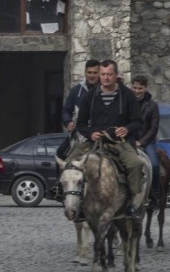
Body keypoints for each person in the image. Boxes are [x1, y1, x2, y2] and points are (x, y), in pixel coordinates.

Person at [75, 59, 145, 217]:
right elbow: (80, 124)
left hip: (119, 142)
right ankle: (73, 200)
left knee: (135, 164)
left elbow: (138, 121)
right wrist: (90, 133)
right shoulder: (90, 96)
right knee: (71, 160)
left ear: (115, 76)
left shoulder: (127, 95)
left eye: (109, 74)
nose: (106, 78)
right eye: (103, 74)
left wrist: (127, 129)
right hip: (95, 141)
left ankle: (132, 202)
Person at [131, 75, 161, 201]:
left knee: (154, 164)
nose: (137, 91)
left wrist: (142, 142)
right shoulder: (128, 102)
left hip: (147, 141)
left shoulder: (152, 105)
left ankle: (154, 192)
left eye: (140, 88)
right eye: (135, 88)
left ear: (145, 88)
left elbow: (154, 127)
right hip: (131, 139)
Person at [61, 59, 101, 134]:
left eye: (95, 73)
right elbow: (66, 111)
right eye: (89, 72)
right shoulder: (76, 91)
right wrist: (68, 122)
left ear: (99, 73)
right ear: (85, 73)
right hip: (80, 133)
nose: (92, 75)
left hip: (100, 132)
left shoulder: (105, 89)